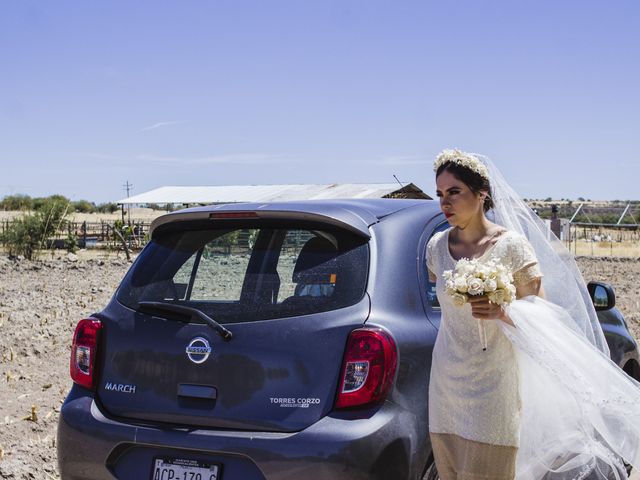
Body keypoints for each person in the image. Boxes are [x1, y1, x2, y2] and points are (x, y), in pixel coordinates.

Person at [425, 149, 640, 480]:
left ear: (481, 194)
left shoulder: (512, 246)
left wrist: (502, 310)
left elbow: (543, 316)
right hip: (446, 381)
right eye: (440, 194)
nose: (445, 203)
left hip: (495, 384)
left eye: (454, 192)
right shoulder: (436, 247)